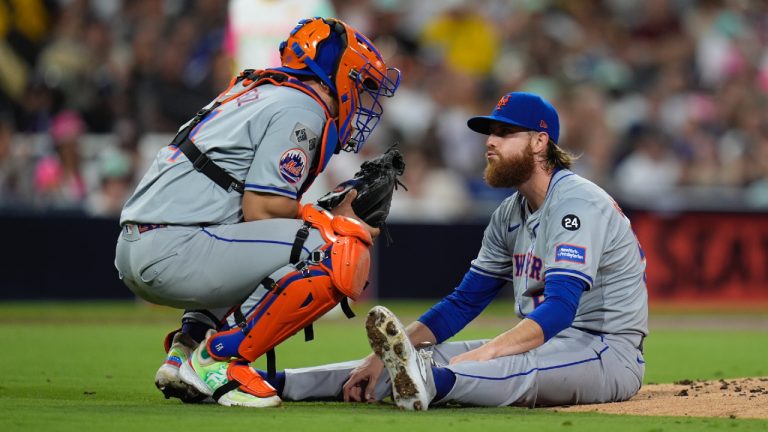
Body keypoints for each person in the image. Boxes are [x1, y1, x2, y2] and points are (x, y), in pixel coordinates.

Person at [263, 92, 648, 410]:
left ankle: (433, 382)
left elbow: (562, 309)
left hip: (604, 350)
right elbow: (464, 302)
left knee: (504, 368)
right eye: (489, 132)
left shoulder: (577, 203)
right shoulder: (509, 214)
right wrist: (384, 356)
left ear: (539, 141)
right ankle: (272, 381)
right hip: (545, 344)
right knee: (411, 362)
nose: (490, 141)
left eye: (504, 132)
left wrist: (485, 355)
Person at [114, 17, 400, 408]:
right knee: (339, 250)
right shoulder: (304, 106)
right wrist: (333, 220)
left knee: (291, 241)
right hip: (174, 248)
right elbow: (262, 210)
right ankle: (219, 361)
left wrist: (318, 213)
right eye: (362, 82)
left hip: (147, 243)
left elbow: (248, 213)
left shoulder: (261, 89)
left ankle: (185, 351)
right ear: (338, 72)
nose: (365, 95)